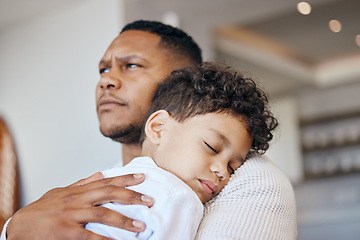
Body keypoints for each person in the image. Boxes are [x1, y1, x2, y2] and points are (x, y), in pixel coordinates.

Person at [1, 20, 297, 240]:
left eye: (130, 65)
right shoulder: (110, 179)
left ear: (178, 80)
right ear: (158, 127)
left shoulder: (252, 181)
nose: (107, 81)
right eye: (104, 70)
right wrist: (15, 227)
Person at [86, 62, 276, 239]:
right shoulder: (181, 199)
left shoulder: (103, 180)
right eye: (211, 147)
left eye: (232, 168)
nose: (222, 171)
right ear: (159, 128)